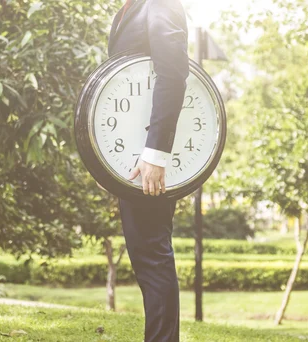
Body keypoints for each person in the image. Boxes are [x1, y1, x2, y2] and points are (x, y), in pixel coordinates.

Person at [107, 0, 189, 341]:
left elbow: (173, 75)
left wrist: (156, 154)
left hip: (149, 157)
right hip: (131, 156)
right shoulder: (131, 8)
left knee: (152, 255)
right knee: (147, 254)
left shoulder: (161, 3)